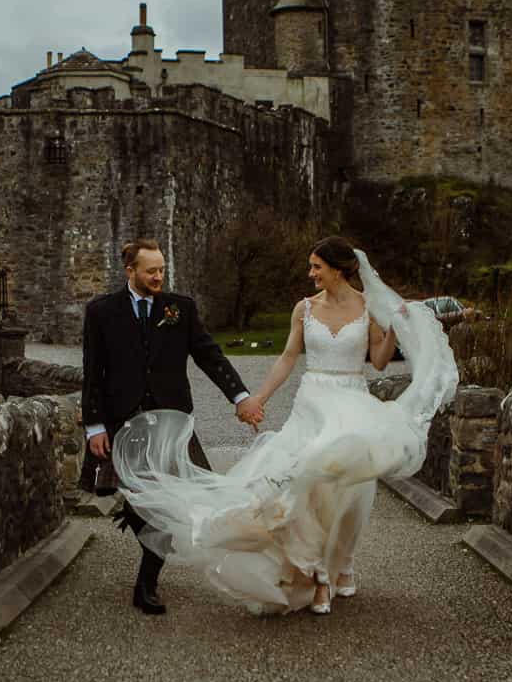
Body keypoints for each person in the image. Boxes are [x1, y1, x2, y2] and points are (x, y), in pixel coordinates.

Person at [112, 237, 458, 616]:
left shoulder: (367, 308)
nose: (309, 273)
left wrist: (392, 329)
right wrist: (256, 398)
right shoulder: (303, 309)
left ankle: (340, 565)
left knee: (348, 495)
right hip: (312, 404)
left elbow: (377, 361)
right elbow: (288, 357)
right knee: (303, 490)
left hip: (353, 403)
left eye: (316, 267)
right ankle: (317, 575)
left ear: (339, 269)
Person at [81, 238, 264, 615]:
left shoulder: (180, 308)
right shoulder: (101, 312)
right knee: (136, 502)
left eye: (162, 270)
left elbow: (209, 356)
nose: (158, 277)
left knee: (169, 503)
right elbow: (92, 373)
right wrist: (94, 425)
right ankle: (137, 519)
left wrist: (240, 396)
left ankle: (146, 583)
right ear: (130, 271)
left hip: (170, 422)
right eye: (151, 271)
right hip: (121, 422)